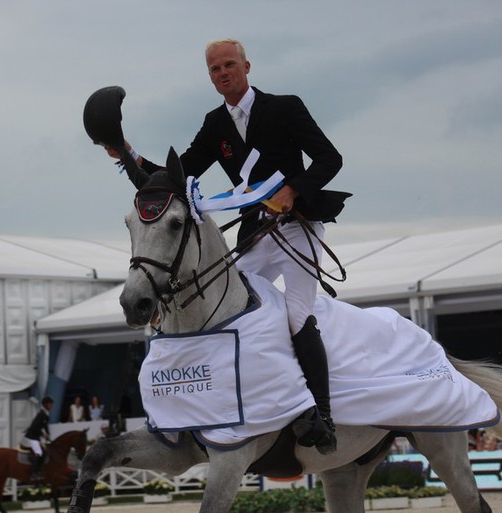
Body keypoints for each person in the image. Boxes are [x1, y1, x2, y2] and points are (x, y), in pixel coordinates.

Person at [101, 39, 343, 454]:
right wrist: (129, 158)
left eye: (229, 65)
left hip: (297, 225)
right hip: (255, 231)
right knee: (232, 307)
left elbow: (329, 158)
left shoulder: (285, 107)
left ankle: (321, 415)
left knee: (295, 314)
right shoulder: (216, 123)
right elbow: (179, 175)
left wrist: (293, 189)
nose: (223, 73)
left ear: (247, 66)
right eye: (215, 69)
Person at [21, 397, 53, 480]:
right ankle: (33, 473)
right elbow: (34, 427)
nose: (51, 406)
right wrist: (43, 435)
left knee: (45, 451)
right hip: (30, 437)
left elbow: (45, 426)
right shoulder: (40, 415)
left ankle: (39, 470)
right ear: (45, 404)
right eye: (50, 404)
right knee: (39, 452)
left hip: (35, 438)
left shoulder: (46, 414)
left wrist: (48, 435)